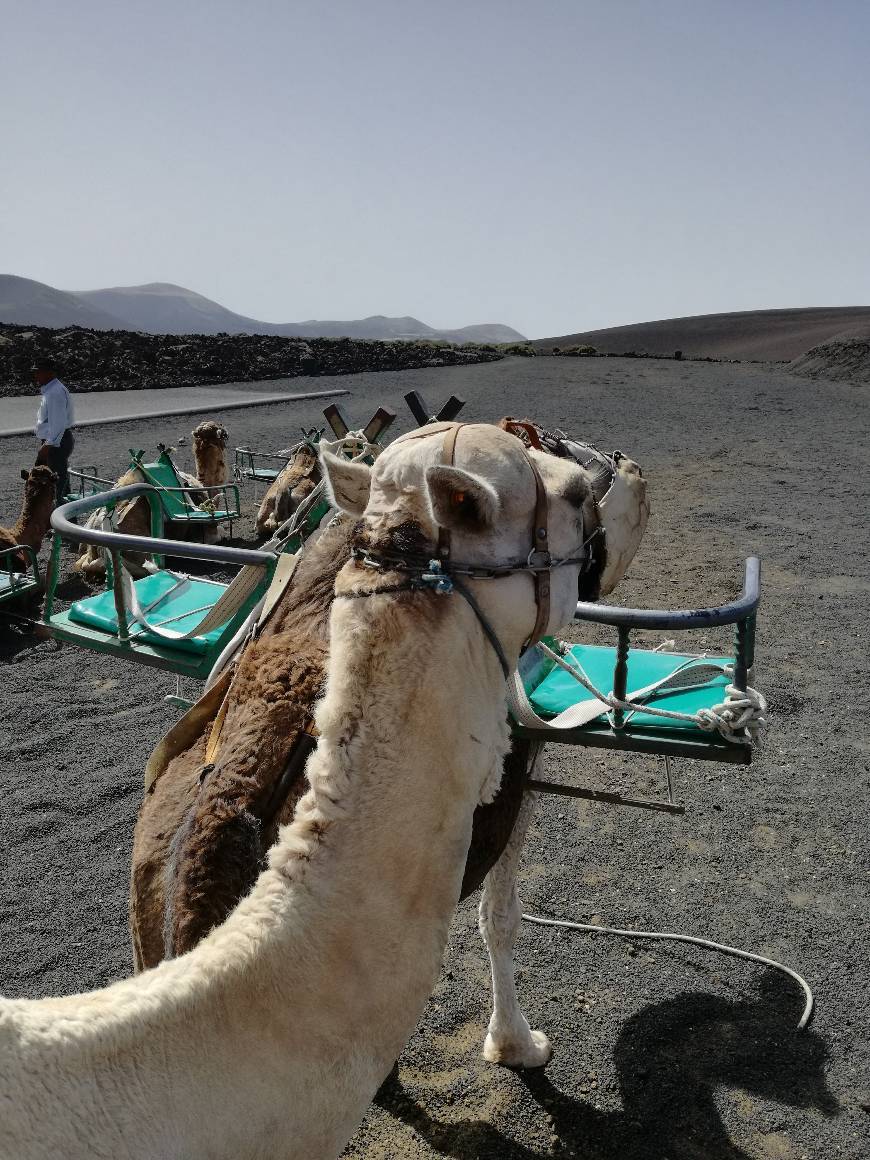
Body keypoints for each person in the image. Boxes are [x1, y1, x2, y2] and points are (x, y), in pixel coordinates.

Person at [33, 359, 75, 505]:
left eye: (39, 372)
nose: (36, 376)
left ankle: (62, 520)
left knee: (57, 484)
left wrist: (47, 445)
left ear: (49, 373)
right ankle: (66, 520)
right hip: (56, 441)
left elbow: (58, 423)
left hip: (56, 443)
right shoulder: (51, 390)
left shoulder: (55, 393)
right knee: (58, 481)